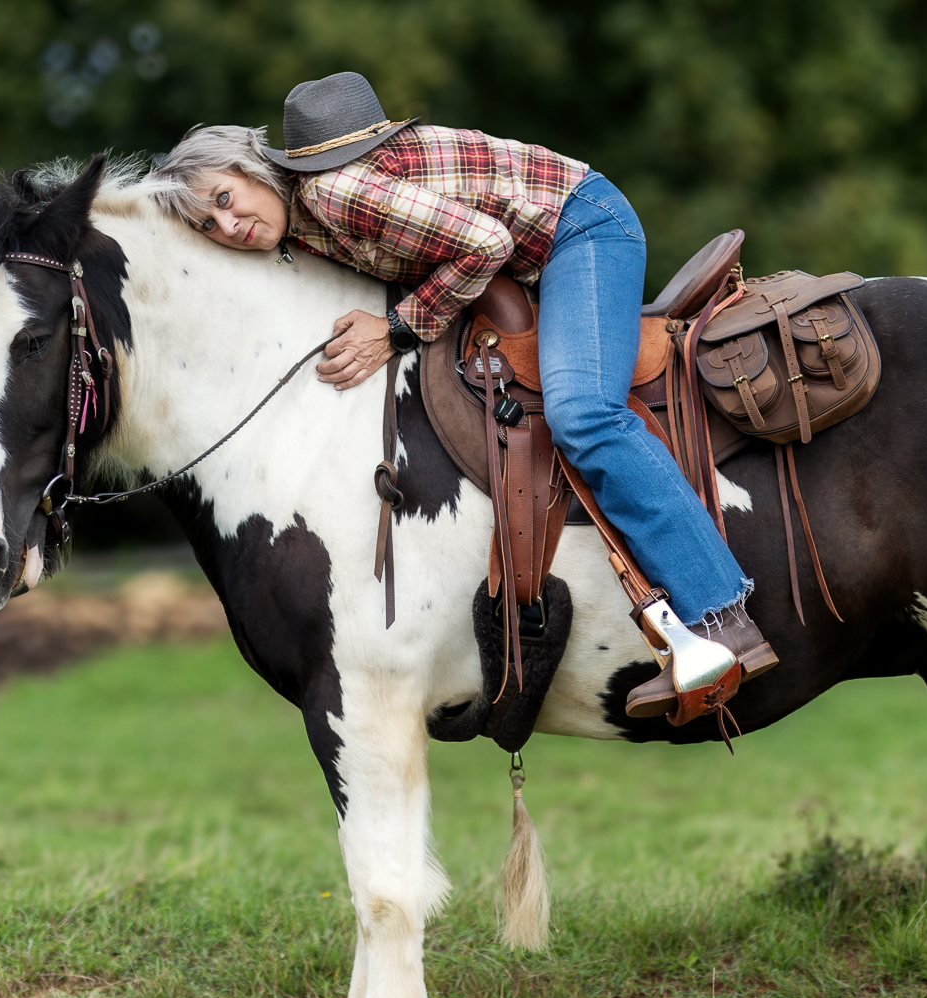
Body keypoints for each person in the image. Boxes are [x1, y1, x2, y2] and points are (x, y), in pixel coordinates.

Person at [147, 72, 776, 717]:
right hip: (533, 252)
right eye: (209, 222)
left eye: (226, 196)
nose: (229, 222)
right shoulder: (300, 228)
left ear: (252, 168)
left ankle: (721, 615)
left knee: (585, 415)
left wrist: (395, 331)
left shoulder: (333, 193)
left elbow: (485, 244)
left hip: (583, 225)